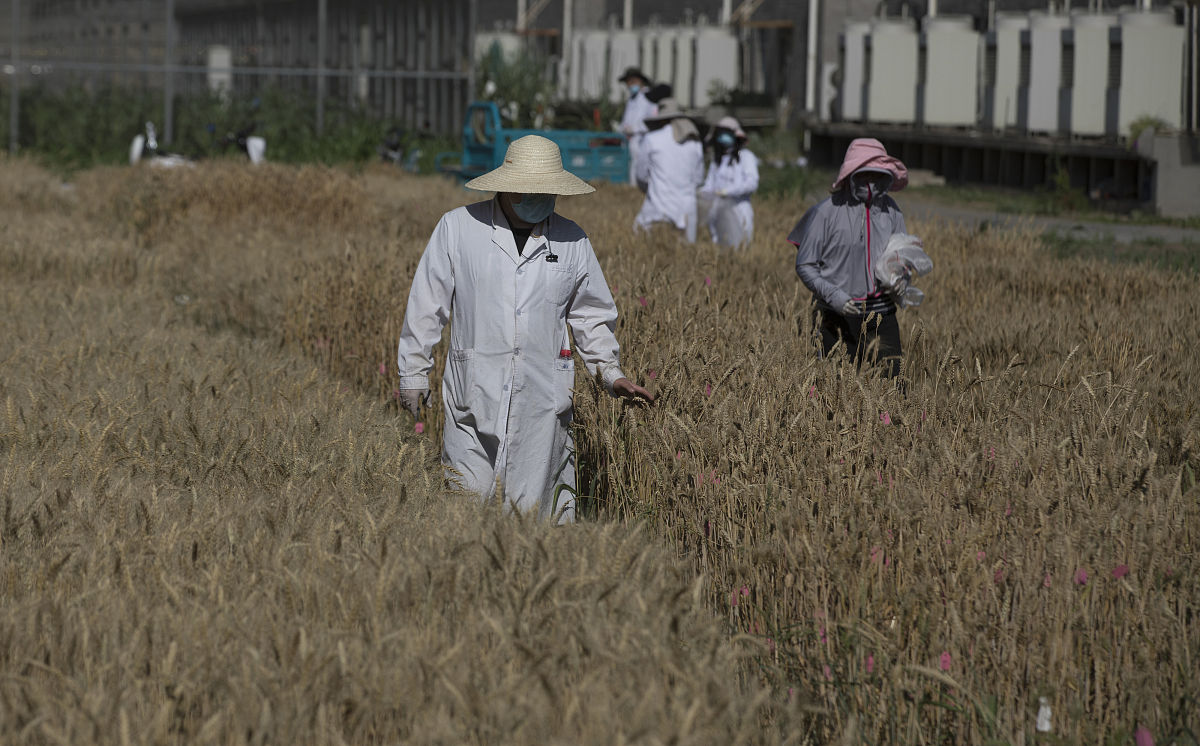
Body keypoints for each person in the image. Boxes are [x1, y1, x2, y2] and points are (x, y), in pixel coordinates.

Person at [396, 135, 654, 523]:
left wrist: (610, 374)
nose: (539, 198)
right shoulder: (458, 228)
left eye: (547, 191)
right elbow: (425, 307)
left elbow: (590, 317)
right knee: (466, 513)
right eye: (530, 190)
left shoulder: (572, 240)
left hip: (542, 405)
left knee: (535, 521)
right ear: (506, 186)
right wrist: (413, 372)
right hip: (472, 401)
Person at [789, 138, 910, 378]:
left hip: (882, 315)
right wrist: (833, 295)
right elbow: (805, 264)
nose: (871, 181)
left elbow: (902, 256)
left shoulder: (892, 210)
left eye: (877, 175)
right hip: (835, 316)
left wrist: (901, 279)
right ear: (850, 174)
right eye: (864, 174)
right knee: (833, 386)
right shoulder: (825, 212)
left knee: (893, 387)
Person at [633, 98, 705, 243]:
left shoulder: (651, 139)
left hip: (658, 208)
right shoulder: (695, 143)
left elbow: (641, 174)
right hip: (686, 210)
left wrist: (649, 186)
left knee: (647, 246)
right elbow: (698, 179)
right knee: (685, 252)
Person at [699, 116, 759, 248]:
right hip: (718, 210)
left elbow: (751, 183)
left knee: (740, 246)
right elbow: (710, 185)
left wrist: (728, 191)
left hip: (739, 209)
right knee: (720, 247)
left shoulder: (746, 157)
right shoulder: (717, 161)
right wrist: (701, 194)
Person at [617, 67, 657, 188]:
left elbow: (652, 120)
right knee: (633, 164)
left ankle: (639, 187)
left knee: (641, 165)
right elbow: (627, 120)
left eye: (633, 82)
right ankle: (633, 187)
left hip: (643, 137)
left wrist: (634, 129)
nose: (630, 85)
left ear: (641, 81)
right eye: (628, 83)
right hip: (631, 139)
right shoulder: (632, 99)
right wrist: (623, 128)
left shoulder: (648, 97)